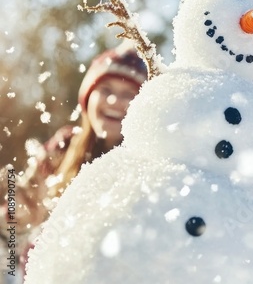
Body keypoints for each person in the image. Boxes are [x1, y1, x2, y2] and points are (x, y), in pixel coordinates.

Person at [0, 42, 147, 281]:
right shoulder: (64, 146)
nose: (113, 101)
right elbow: (23, 203)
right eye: (106, 89)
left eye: (128, 94)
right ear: (88, 96)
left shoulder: (143, 161)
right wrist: (16, 213)